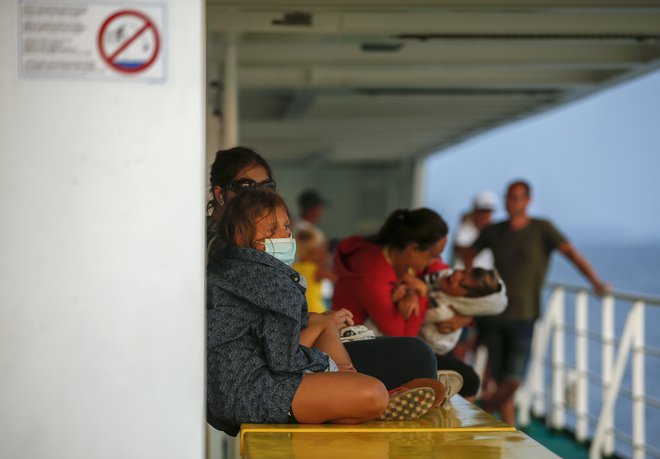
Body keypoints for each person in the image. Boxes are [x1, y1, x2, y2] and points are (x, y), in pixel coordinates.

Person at [207, 190, 441, 435]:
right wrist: (330, 367)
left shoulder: (229, 272)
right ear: (240, 236)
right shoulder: (270, 282)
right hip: (253, 394)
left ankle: (348, 398)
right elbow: (285, 364)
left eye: (286, 226)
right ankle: (363, 403)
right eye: (270, 230)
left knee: (323, 323)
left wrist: (334, 367)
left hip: (228, 392)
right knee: (374, 393)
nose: (284, 235)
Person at [206, 147, 438, 391]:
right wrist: (318, 330)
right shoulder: (221, 252)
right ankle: (364, 395)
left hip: (281, 351)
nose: (258, 195)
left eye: (267, 186)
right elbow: (266, 344)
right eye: (246, 187)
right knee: (416, 356)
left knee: (417, 356)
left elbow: (268, 323)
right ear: (221, 194)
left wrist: (316, 323)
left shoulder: (253, 251)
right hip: (261, 369)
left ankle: (370, 395)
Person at [465, 179, 609, 425]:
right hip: (493, 314)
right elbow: (467, 254)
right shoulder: (494, 231)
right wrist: (473, 287)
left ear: (528, 200)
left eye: (517, 197)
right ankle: (509, 431)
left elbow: (571, 254)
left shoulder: (542, 229)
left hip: (525, 314)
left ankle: (485, 411)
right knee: (500, 378)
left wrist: (596, 282)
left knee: (514, 379)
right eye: (508, 197)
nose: (511, 202)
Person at [332, 208, 481, 398]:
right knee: (432, 362)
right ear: (413, 249)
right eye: (434, 255)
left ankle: (419, 388)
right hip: (351, 351)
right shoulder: (371, 274)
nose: (436, 262)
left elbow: (456, 282)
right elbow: (404, 337)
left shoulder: (399, 258)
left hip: (379, 343)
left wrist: (466, 317)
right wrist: (421, 293)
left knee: (468, 378)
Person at [419, 267, 507, 356]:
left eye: (461, 283)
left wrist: (421, 289)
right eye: (463, 271)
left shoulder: (441, 312)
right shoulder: (446, 277)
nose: (456, 275)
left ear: (467, 300)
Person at [292, 227, 335, 313]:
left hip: (301, 314)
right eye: (322, 249)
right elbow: (339, 280)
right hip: (317, 313)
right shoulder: (317, 270)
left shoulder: (293, 267)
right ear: (314, 251)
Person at [452, 190, 498, 269]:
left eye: (488, 212)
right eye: (482, 212)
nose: (485, 216)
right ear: (475, 212)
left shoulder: (494, 232)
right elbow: (461, 251)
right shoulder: (464, 230)